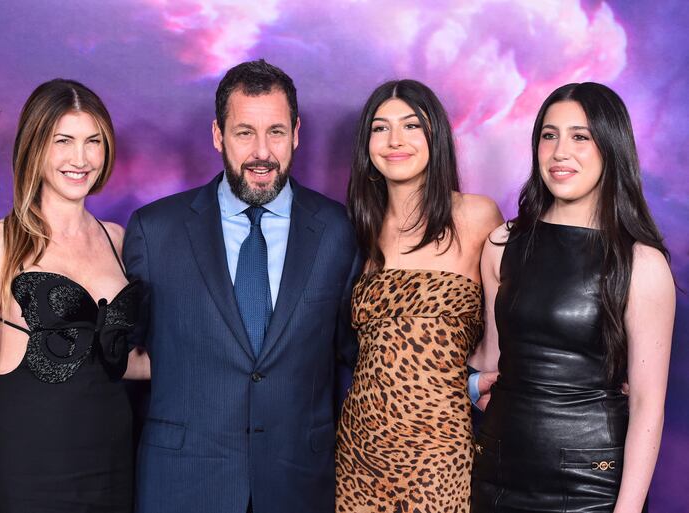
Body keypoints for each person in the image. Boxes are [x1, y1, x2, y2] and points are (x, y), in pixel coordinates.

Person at [122, 59, 360, 513]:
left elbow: (358, 357)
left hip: (299, 486)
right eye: (244, 132)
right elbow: (123, 356)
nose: (261, 152)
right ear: (218, 136)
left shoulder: (338, 230)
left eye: (275, 131)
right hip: (183, 485)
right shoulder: (156, 231)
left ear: (296, 133)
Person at [470, 82, 675, 512]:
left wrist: (629, 509)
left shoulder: (641, 263)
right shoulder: (502, 243)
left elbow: (647, 406)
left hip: (590, 483)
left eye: (580, 136)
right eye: (549, 135)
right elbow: (490, 363)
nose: (561, 151)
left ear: (611, 146)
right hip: (496, 472)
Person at [0, 79, 149, 513]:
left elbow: (116, 358)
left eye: (92, 141)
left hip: (113, 465)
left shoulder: (117, 240)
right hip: (28, 468)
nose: (80, 159)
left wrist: (211, 364)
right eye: (64, 141)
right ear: (35, 146)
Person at [335, 79, 503, 512]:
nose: (395, 140)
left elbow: (507, 332)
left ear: (436, 137)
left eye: (411, 125)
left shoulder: (478, 216)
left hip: (443, 452)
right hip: (359, 453)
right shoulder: (357, 228)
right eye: (380, 127)